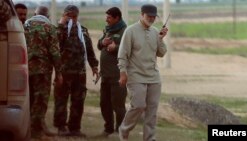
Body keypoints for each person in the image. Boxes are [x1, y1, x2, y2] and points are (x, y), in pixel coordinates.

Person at [117, 4, 168, 141]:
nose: (151, 18)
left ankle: (149, 138)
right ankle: (124, 130)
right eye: (148, 16)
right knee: (138, 105)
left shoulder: (156, 31)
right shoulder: (130, 31)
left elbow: (162, 53)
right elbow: (123, 54)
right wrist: (123, 73)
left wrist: (161, 39)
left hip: (154, 77)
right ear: (141, 14)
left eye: (153, 16)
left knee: (152, 111)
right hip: (135, 76)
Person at [53, 4, 99, 137]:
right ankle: (61, 127)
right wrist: (62, 25)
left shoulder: (82, 30)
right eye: (69, 16)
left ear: (77, 16)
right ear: (64, 15)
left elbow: (89, 50)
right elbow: (55, 45)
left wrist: (94, 65)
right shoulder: (58, 29)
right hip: (64, 72)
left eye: (74, 16)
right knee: (61, 100)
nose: (71, 19)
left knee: (78, 100)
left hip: (79, 73)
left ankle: (75, 127)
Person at [24, 5, 63, 139]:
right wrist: (59, 73)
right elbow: (55, 52)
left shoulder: (25, 26)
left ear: (34, 13)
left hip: (24, 70)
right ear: (47, 17)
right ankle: (36, 131)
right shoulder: (49, 28)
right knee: (40, 101)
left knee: (28, 100)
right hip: (42, 71)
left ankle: (30, 128)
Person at [97, 7, 127, 137]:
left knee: (118, 105)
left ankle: (120, 130)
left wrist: (116, 47)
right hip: (105, 75)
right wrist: (102, 42)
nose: (106, 19)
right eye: (106, 17)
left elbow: (130, 50)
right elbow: (99, 45)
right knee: (104, 103)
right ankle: (108, 129)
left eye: (109, 17)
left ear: (117, 18)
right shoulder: (108, 29)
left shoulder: (125, 31)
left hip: (118, 75)